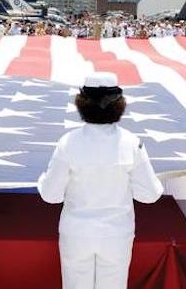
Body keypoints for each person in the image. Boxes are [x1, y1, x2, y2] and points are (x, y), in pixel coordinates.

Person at [38, 72, 164, 289]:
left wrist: (42, 179)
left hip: (77, 233)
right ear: (119, 105)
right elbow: (150, 195)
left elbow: (50, 195)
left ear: (82, 104)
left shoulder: (68, 143)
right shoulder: (132, 143)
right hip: (116, 234)